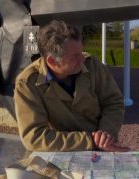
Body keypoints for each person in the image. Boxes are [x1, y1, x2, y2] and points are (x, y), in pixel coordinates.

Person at [15, 20, 126, 152]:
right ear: (52, 61)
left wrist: (107, 131)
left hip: (102, 149)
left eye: (81, 52)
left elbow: (113, 102)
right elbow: (35, 137)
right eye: (74, 57)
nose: (82, 59)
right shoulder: (27, 84)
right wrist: (90, 140)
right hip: (60, 154)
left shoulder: (93, 66)